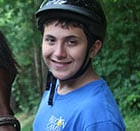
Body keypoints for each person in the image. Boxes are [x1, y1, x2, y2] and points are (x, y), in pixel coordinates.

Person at [33, 0, 126, 130]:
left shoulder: (99, 118)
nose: (59, 53)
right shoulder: (55, 88)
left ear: (93, 48)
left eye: (71, 42)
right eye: (51, 40)